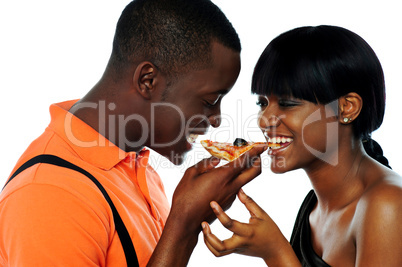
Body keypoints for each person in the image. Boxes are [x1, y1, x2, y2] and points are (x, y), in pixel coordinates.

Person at [0, 0, 267, 266]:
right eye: (210, 101)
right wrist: (184, 226)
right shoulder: (51, 196)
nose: (217, 120)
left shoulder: (137, 166)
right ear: (147, 80)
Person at [201, 25, 402, 266]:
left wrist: (276, 251)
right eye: (262, 102)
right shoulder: (313, 206)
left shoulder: (387, 204)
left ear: (346, 107)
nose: (265, 120)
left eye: (286, 103)